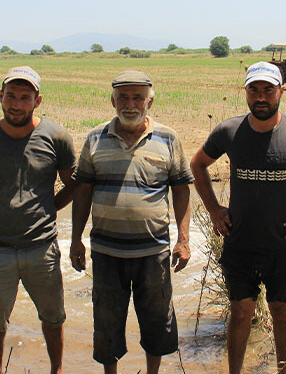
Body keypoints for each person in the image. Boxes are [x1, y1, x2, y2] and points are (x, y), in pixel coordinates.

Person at [190, 62, 286, 374]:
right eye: (254, 90)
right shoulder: (228, 131)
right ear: (245, 92)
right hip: (240, 242)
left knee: (282, 310)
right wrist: (214, 210)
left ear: (282, 91)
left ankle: (284, 371)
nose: (260, 97)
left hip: (283, 244)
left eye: (267, 90)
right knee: (241, 311)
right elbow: (197, 165)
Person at [69, 70, 193, 374]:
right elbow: (83, 190)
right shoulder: (95, 138)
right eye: (123, 97)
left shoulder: (168, 137)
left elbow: (181, 189)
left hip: (153, 252)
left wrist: (184, 240)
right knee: (107, 323)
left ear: (150, 100)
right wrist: (75, 241)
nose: (130, 103)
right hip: (107, 253)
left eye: (138, 97)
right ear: (112, 100)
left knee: (157, 321)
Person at [0, 66, 76, 374]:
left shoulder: (56, 137)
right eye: (11, 96)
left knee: (54, 318)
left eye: (25, 98)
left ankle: (56, 370)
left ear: (37, 101)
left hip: (41, 248)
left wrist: (47, 209)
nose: (16, 104)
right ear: (0, 96)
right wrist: (3, 211)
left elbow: (73, 184)